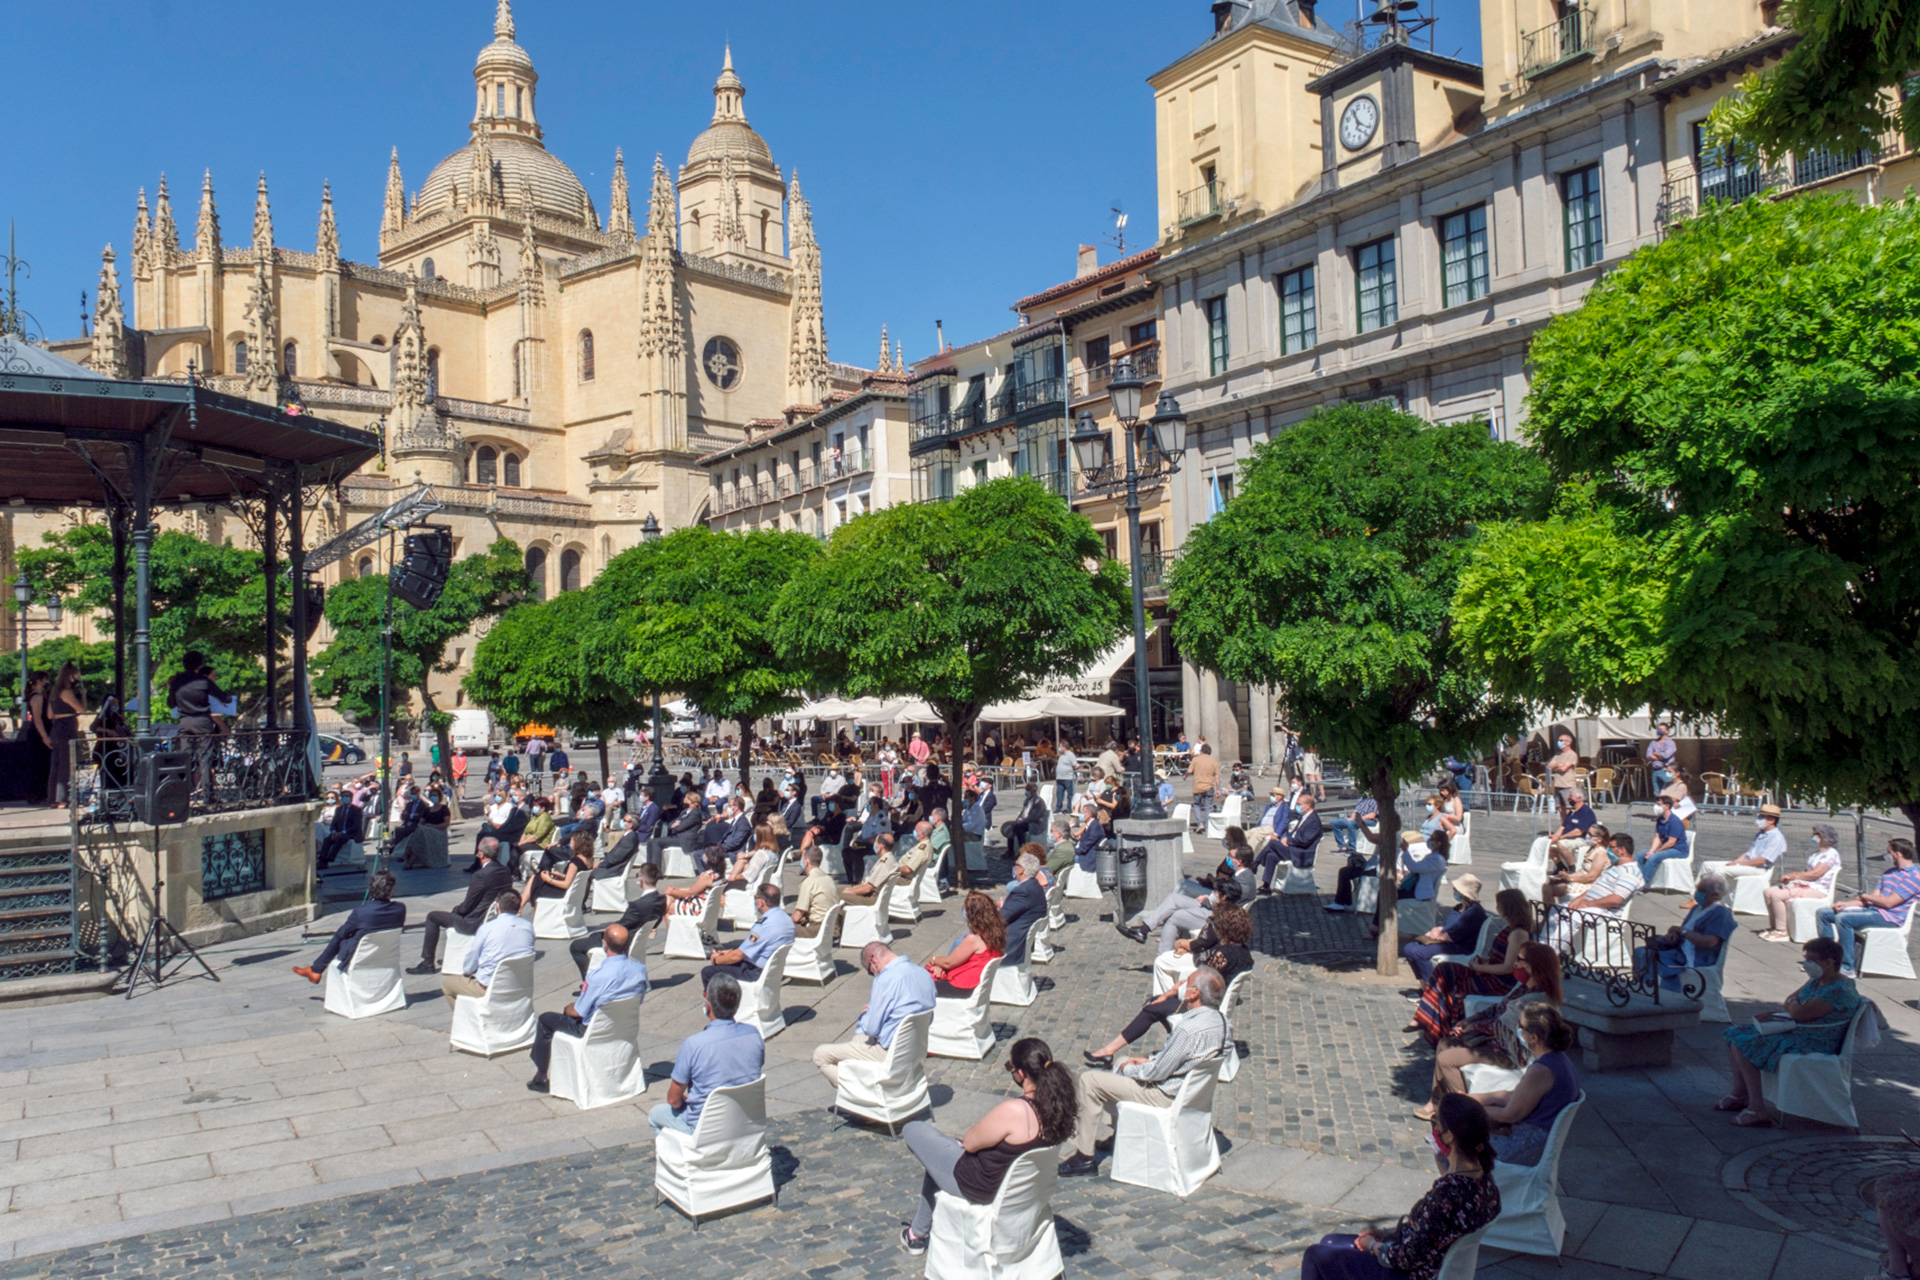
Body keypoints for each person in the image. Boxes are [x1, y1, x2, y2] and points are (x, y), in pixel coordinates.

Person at [896, 1037, 1077, 1257]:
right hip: (1018, 1190)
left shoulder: (1016, 1110)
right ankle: (917, 1233)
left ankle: (916, 1236)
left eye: (1010, 1067)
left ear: (1021, 1074)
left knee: (914, 1129)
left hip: (979, 1185)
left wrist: (961, 1144)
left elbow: (971, 1142)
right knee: (938, 1157)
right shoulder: (1056, 1113)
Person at [1298, 1093, 1501, 1280]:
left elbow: (1406, 1258)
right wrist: (1387, 1233)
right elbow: (1429, 1232)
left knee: (1315, 1255)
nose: (1434, 1129)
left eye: (1436, 1122)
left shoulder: (1447, 1195)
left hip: (1413, 1274)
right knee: (1329, 1241)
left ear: (1449, 1136)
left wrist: (1373, 1246)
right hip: (1433, 1264)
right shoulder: (1486, 1182)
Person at [1059, 967, 1228, 1178]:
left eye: (1188, 982)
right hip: (1189, 1091)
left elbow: (1156, 1074)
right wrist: (1148, 1060)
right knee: (1121, 1059)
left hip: (1164, 1095)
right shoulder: (1223, 1023)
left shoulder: (1188, 1029)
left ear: (1194, 994)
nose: (1182, 984)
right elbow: (1186, 1059)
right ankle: (1120, 1133)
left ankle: (1084, 1157)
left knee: (1089, 1080)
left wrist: (1129, 1068)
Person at [1718, 937, 1862, 1126]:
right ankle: (1740, 1094)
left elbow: (1797, 1010)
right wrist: (1795, 1005)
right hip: (1801, 1031)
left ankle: (1757, 1108)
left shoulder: (1838, 990)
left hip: (1815, 1041)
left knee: (1743, 1044)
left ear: (1828, 963)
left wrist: (1796, 1006)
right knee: (1735, 1034)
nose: (1806, 963)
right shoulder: (1818, 981)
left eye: (1811, 959)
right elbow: (1789, 1001)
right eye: (1805, 958)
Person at [1091, 911, 1253, 1068]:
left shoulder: (1222, 954)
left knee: (1152, 1007)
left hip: (1204, 1005)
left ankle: (1109, 1050)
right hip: (1211, 1000)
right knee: (1156, 1004)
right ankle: (1111, 1050)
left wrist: (1172, 992)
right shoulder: (1244, 953)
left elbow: (1201, 982)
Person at [1418, 943, 1563, 1118]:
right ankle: (1437, 1101)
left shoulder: (1536, 999)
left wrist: (1471, 1028)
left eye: (1519, 959)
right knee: (1445, 1043)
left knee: (1446, 1060)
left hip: (1510, 1053)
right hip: (1496, 1042)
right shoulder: (1524, 986)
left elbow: (1502, 1027)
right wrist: (1471, 1020)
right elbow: (1498, 1008)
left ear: (1532, 966)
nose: (1515, 963)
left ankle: (1461, 1111)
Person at [527, 923, 649, 1094]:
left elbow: (578, 1012)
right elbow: (638, 999)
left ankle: (541, 1075)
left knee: (546, 1019)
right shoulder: (640, 970)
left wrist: (568, 1008)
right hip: (624, 1026)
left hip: (592, 1029)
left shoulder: (597, 976)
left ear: (604, 944)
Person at [649, 973, 767, 1133]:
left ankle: (681, 1154)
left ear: (708, 1004)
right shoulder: (754, 1035)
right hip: (744, 1121)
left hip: (704, 1129)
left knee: (655, 1114)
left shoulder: (694, 1045)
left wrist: (686, 1099)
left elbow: (673, 1100)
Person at [1411, 890, 1533, 1043]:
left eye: (1500, 906)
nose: (1497, 908)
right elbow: (1501, 957)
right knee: (1445, 969)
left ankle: (1436, 1028)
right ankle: (1425, 1017)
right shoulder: (1510, 928)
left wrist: (1479, 968)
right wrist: (1483, 962)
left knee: (1454, 987)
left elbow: (1507, 968)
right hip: (1488, 971)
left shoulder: (1518, 933)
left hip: (1499, 981)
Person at [813, 941, 938, 1088]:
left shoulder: (885, 979)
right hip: (916, 1049)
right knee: (857, 1039)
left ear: (873, 961)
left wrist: (868, 1014)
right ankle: (861, 1077)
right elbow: (927, 1018)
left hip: (889, 1053)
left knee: (821, 1055)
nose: (874, 974)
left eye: (871, 971)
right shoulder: (922, 973)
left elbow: (871, 1029)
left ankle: (857, 1092)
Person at [1471, 1004, 1582, 1165]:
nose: (1518, 1029)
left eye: (1521, 1026)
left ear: (1533, 1037)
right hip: (1535, 1138)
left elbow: (1510, 1114)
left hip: (1527, 1144)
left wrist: (1471, 1108)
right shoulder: (1558, 1060)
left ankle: (1464, 1187)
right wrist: (1470, 1099)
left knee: (1455, 1144)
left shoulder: (1541, 1070)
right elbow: (1513, 1097)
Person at [1817, 837, 1920, 976]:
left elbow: (1889, 902)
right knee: (1823, 913)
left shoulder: (1914, 877)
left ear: (1898, 854)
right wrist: (1846, 904)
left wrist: (1865, 896)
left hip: (1890, 917)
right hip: (1874, 910)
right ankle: (1825, 958)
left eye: (1889, 852)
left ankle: (1846, 967)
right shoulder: (1889, 873)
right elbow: (1872, 899)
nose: (1887, 856)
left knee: (1844, 919)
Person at [412, 839, 513, 972]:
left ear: (481, 854)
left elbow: (467, 906)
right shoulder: (505, 871)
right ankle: (454, 955)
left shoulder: (481, 875)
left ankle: (427, 963)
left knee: (432, 917)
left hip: (474, 923)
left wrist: (455, 910)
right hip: (494, 919)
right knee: (451, 915)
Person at [293, 871, 405, 983]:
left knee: (340, 936)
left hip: (360, 955)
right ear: (391, 891)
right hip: (386, 955)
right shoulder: (400, 908)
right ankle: (315, 970)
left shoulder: (361, 912)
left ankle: (316, 970)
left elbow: (343, 933)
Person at [1637, 868, 1737, 991]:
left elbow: (1709, 942)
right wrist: (1674, 933)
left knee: (1651, 958)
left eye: (1701, 891)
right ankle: (1643, 988)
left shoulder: (1721, 914)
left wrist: (1683, 932)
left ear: (1714, 895)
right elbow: (1685, 928)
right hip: (1681, 948)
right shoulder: (1697, 908)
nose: (1697, 893)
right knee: (1641, 952)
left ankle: (1663, 993)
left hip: (1699, 956)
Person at [1545, 832, 1643, 950]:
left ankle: (1550, 953)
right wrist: (1578, 900)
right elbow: (1595, 888)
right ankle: (1543, 946)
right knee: (1556, 910)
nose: (1608, 850)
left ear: (1622, 850)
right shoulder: (1613, 868)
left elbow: (1616, 899)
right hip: (1593, 905)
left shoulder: (1630, 873)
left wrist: (1587, 904)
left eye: (1611, 847)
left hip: (1606, 911)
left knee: (1572, 916)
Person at [439, 889, 535, 1007]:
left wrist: (467, 972)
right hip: (519, 985)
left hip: (489, 988)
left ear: (497, 906)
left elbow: (472, 960)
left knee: (448, 985)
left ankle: (467, 1021)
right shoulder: (528, 927)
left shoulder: (487, 928)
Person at [570, 863, 666, 978]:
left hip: (622, 941)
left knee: (576, 946)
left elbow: (621, 926)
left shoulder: (638, 905)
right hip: (637, 938)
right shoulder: (661, 900)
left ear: (641, 879)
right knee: (593, 937)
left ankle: (589, 983)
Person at [1760, 823, 1845, 942]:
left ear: (1824, 836)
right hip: (1808, 885)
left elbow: (1815, 873)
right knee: (1768, 891)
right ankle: (1774, 926)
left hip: (1818, 889)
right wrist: (1794, 879)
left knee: (1776, 896)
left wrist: (1793, 875)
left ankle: (1782, 930)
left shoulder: (1831, 854)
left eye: (1816, 834)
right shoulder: (1816, 854)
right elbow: (1807, 873)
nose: (1813, 836)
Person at [1402, 874, 1489, 985]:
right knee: (1409, 948)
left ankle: (1433, 989)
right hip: (1449, 941)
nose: (1454, 890)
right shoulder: (1460, 907)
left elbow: (1453, 935)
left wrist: (1435, 934)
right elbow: (1450, 926)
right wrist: (1437, 929)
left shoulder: (1474, 912)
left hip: (1460, 946)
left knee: (1420, 954)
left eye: (1456, 889)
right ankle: (1424, 985)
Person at [702, 883, 793, 985]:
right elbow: (754, 947)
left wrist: (716, 960)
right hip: (773, 969)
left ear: (761, 902)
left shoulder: (763, 925)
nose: (755, 901)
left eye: (756, 898)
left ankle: (714, 1000)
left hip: (755, 972)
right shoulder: (787, 919)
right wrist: (727, 952)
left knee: (707, 972)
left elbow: (737, 956)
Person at [924, 892, 1006, 996]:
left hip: (963, 986)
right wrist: (940, 966)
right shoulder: (995, 932)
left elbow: (948, 963)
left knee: (919, 981)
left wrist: (934, 959)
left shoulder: (974, 939)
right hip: (976, 983)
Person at [1704, 802, 1788, 896]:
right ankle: (1697, 894)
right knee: (1707, 865)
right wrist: (1734, 862)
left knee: (1720, 871)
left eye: (1761, 817)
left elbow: (1762, 860)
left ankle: (1711, 898)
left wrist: (1739, 864)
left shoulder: (1776, 838)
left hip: (1758, 868)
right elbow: (1748, 853)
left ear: (1771, 820)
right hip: (1747, 864)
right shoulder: (1761, 833)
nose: (1758, 819)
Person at [1256, 793, 1324, 892]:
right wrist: (1286, 839)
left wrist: (1289, 841)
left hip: (1302, 853)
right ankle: (1266, 885)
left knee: (1272, 843)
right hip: (1294, 849)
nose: (1297, 806)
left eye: (1299, 804)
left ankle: (1255, 863)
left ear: (1308, 806)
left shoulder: (1314, 821)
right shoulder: (1304, 817)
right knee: (1271, 855)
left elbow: (1305, 841)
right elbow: (1293, 834)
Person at [43, 662, 87, 807]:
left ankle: (53, 799)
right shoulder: (67, 692)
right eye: (76, 674)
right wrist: (83, 696)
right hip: (67, 729)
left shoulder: (54, 692)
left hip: (56, 729)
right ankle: (62, 799)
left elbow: (50, 715)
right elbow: (81, 710)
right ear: (70, 676)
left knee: (55, 765)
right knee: (65, 765)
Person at [999, 851, 1049, 962]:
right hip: (1022, 935)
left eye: (1015, 865)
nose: (1014, 868)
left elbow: (1000, 919)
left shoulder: (1023, 891)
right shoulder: (1035, 885)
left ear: (1020, 870)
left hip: (1012, 941)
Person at [1637, 792, 1691, 887]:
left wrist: (1656, 852)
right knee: (1640, 855)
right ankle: (1636, 880)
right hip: (1666, 848)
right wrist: (1651, 851)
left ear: (1667, 806)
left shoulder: (1675, 821)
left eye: (1658, 805)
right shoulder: (1660, 819)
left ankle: (1643, 884)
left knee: (1653, 858)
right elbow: (1657, 837)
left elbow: (1671, 842)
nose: (1656, 807)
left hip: (1678, 850)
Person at [529, 831, 595, 903]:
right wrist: (562, 876)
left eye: (572, 840)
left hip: (566, 894)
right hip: (579, 894)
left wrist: (549, 880)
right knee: (536, 878)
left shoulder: (575, 862)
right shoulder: (589, 859)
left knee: (536, 882)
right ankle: (520, 908)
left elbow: (566, 884)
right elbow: (576, 877)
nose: (570, 842)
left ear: (577, 843)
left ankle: (531, 910)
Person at [789, 845, 837, 939]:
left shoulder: (809, 882)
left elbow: (797, 917)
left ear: (807, 862)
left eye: (802, 858)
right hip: (831, 927)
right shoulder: (828, 878)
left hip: (816, 929)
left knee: (780, 927)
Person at [839, 832, 899, 904]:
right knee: (835, 891)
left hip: (872, 898)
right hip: (870, 895)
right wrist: (849, 889)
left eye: (875, 843)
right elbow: (866, 884)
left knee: (834, 895)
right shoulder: (887, 859)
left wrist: (848, 892)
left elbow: (867, 889)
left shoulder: (885, 863)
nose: (874, 845)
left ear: (880, 846)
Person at [1186, 743, 1218, 831]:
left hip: (1198, 787)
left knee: (1196, 805)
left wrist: (1185, 776)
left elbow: (1190, 771)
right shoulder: (1213, 761)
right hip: (1209, 787)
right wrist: (1218, 789)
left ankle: (1200, 823)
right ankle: (1208, 827)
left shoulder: (1196, 760)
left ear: (1202, 751)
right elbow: (1217, 777)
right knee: (1208, 807)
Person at [1547, 730, 1579, 804]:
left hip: (1567, 785)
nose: (1559, 742)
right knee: (1560, 808)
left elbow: (1563, 769)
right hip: (1557, 784)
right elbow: (1549, 766)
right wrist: (1559, 764)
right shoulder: (1558, 755)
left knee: (1569, 806)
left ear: (1568, 742)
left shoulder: (1572, 754)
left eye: (1561, 740)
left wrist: (1556, 766)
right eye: (1558, 740)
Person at [1646, 721, 1677, 790]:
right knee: (1657, 793)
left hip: (1666, 770)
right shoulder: (1653, 742)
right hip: (1655, 771)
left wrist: (1655, 753)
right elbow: (1648, 754)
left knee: (1667, 791)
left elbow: (1666, 755)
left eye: (1661, 729)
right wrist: (1659, 756)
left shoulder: (1670, 743)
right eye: (1658, 729)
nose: (1659, 730)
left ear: (1666, 731)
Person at [1054, 742, 1078, 813]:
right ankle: (1058, 808)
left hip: (1068, 778)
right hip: (1059, 778)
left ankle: (1069, 808)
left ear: (1064, 747)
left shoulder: (1071, 755)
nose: (1059, 748)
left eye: (1060, 746)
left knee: (1070, 795)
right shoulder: (1061, 755)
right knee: (1059, 794)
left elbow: (1074, 765)